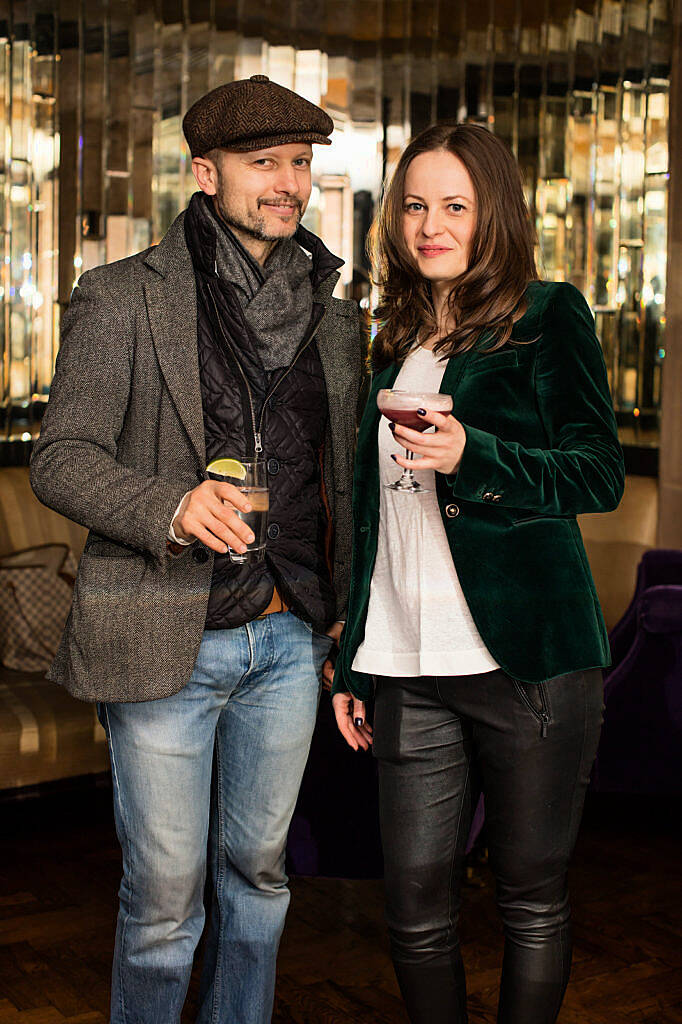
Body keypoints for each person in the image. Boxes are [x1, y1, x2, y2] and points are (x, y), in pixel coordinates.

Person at [30, 75, 362, 1024]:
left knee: (261, 879)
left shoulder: (337, 318)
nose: (289, 184)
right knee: (165, 904)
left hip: (290, 643)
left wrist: (345, 615)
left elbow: (339, 486)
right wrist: (171, 505)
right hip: (161, 637)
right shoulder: (121, 297)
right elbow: (63, 460)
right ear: (205, 171)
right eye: (266, 164)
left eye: (300, 163)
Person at [330, 122, 625, 1024]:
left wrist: (476, 455)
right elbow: (375, 522)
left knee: (530, 901)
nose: (430, 224)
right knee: (415, 909)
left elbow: (596, 473)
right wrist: (354, 658)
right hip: (410, 671)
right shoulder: (390, 341)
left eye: (454, 205)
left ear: (493, 212)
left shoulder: (548, 315)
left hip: (527, 664)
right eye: (415, 204)